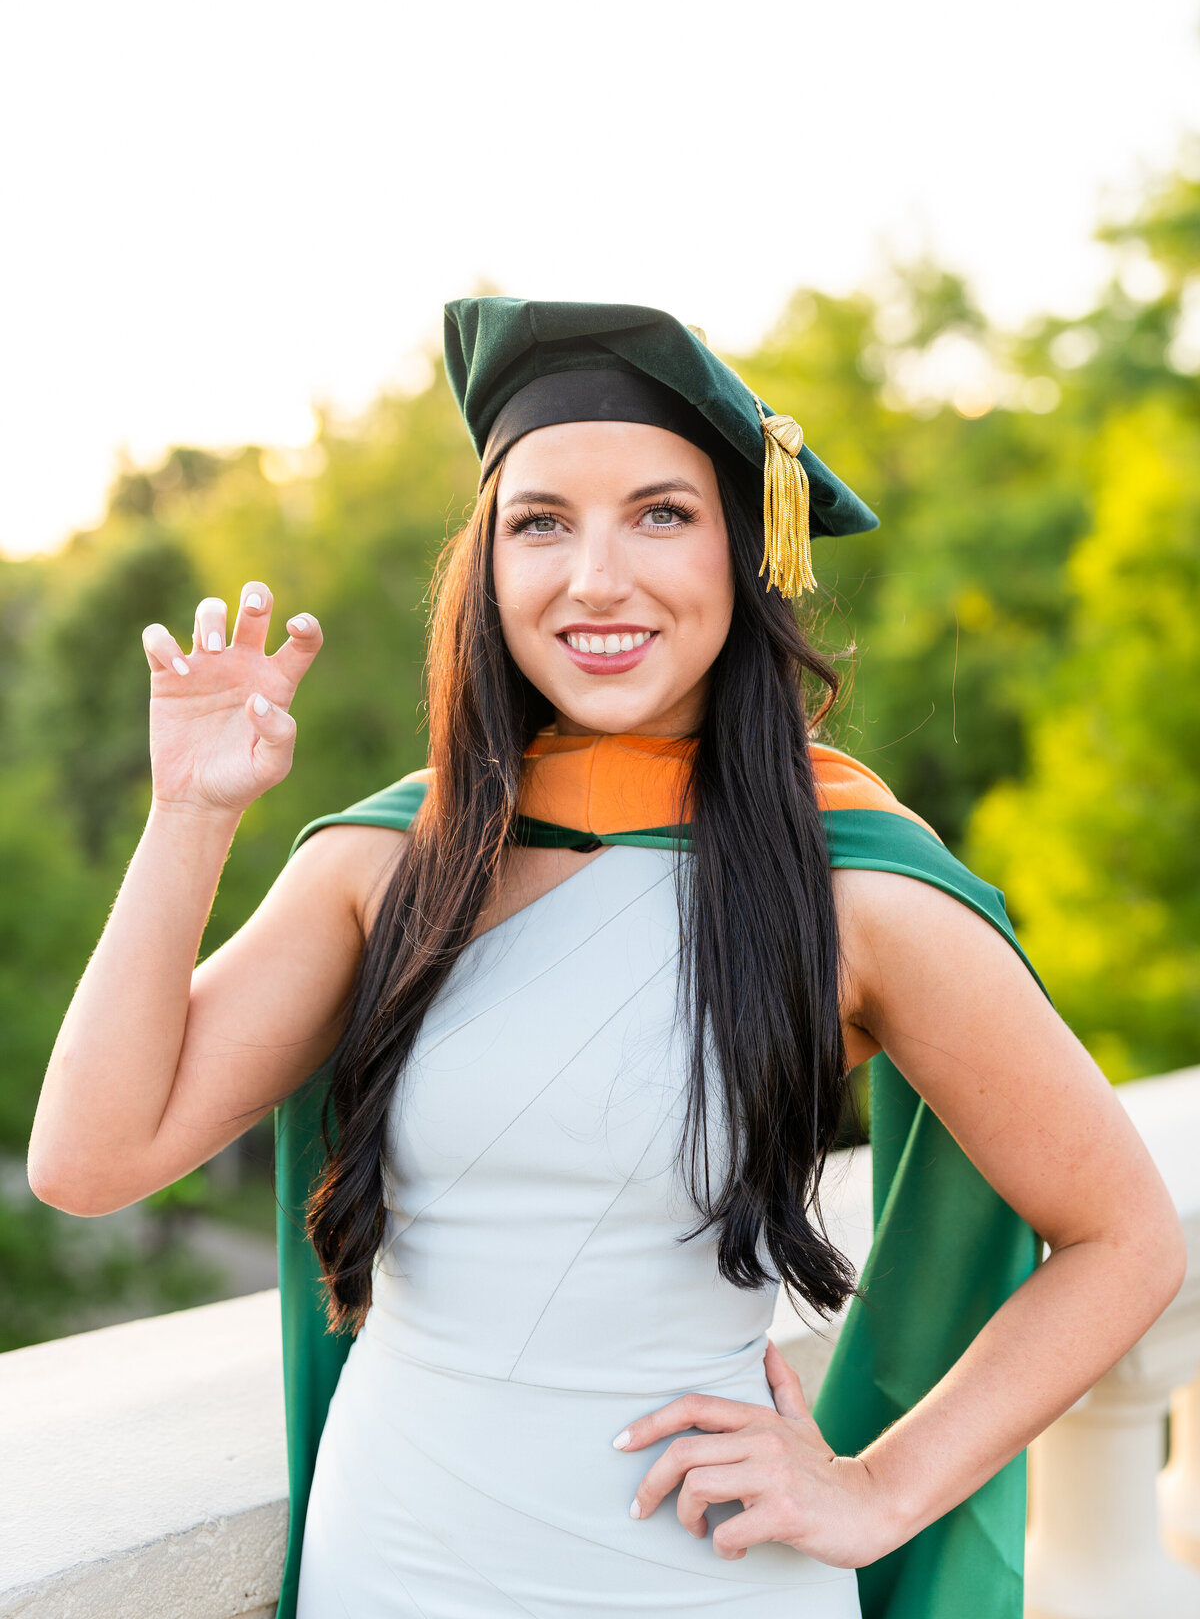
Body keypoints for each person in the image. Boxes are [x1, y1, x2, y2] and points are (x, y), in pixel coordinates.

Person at [28, 298, 1185, 1619]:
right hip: (395, 1562)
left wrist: (877, 1489)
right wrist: (191, 814)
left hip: (700, 1573)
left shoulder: (853, 885)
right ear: (490, 569)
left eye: (661, 514)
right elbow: (87, 1157)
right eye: (542, 523)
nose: (597, 578)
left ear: (748, 551)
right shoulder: (389, 866)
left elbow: (1124, 1238)